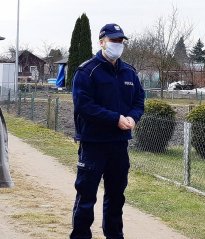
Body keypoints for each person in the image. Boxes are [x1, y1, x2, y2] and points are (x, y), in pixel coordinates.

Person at [70, 23, 145, 239]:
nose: (117, 45)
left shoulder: (129, 71)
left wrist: (132, 117)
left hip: (119, 144)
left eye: (121, 41)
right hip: (93, 143)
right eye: (113, 40)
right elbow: (84, 105)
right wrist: (115, 119)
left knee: (116, 195)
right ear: (102, 41)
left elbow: (139, 100)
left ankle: (114, 235)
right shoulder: (87, 71)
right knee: (86, 196)